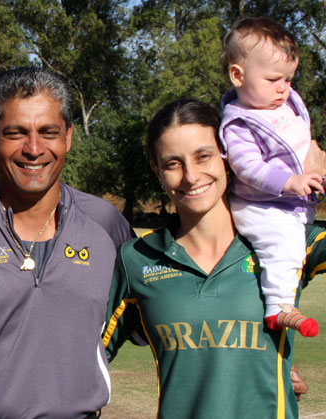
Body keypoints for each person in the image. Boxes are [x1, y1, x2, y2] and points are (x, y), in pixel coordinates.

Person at [0, 67, 133, 418]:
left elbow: (140, 319)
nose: (34, 149)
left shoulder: (107, 225)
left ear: (68, 137)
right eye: (15, 133)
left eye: (48, 132)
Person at [103, 99, 326, 419]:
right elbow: (86, 363)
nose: (191, 176)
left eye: (203, 156)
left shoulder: (286, 239)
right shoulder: (137, 259)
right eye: (173, 163)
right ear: (157, 171)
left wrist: (318, 176)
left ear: (229, 157)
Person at [219, 17, 322, 336]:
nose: (284, 88)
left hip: (294, 202)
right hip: (261, 207)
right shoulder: (240, 123)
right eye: (274, 79)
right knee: (284, 247)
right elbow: (247, 167)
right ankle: (279, 308)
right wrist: (289, 182)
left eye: (290, 79)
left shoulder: (285, 107)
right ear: (238, 75)